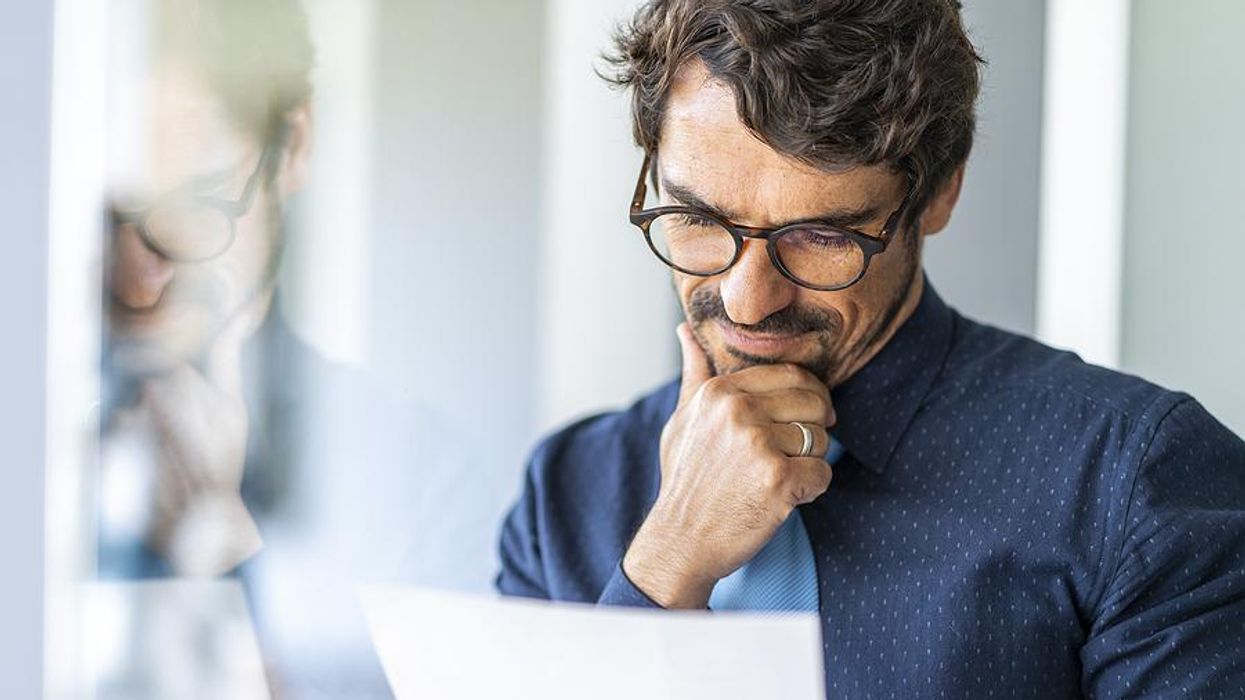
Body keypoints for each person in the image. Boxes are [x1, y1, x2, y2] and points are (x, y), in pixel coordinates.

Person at [496, 0, 1245, 696]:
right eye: (694, 217)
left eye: (822, 236)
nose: (744, 298)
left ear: (940, 192)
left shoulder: (1135, 483)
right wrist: (662, 570)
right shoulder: (564, 493)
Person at [98, 1, 476, 695]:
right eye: (104, 219)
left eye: (191, 203)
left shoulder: (418, 483)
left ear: (293, 144)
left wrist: (230, 585)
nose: (136, 279)